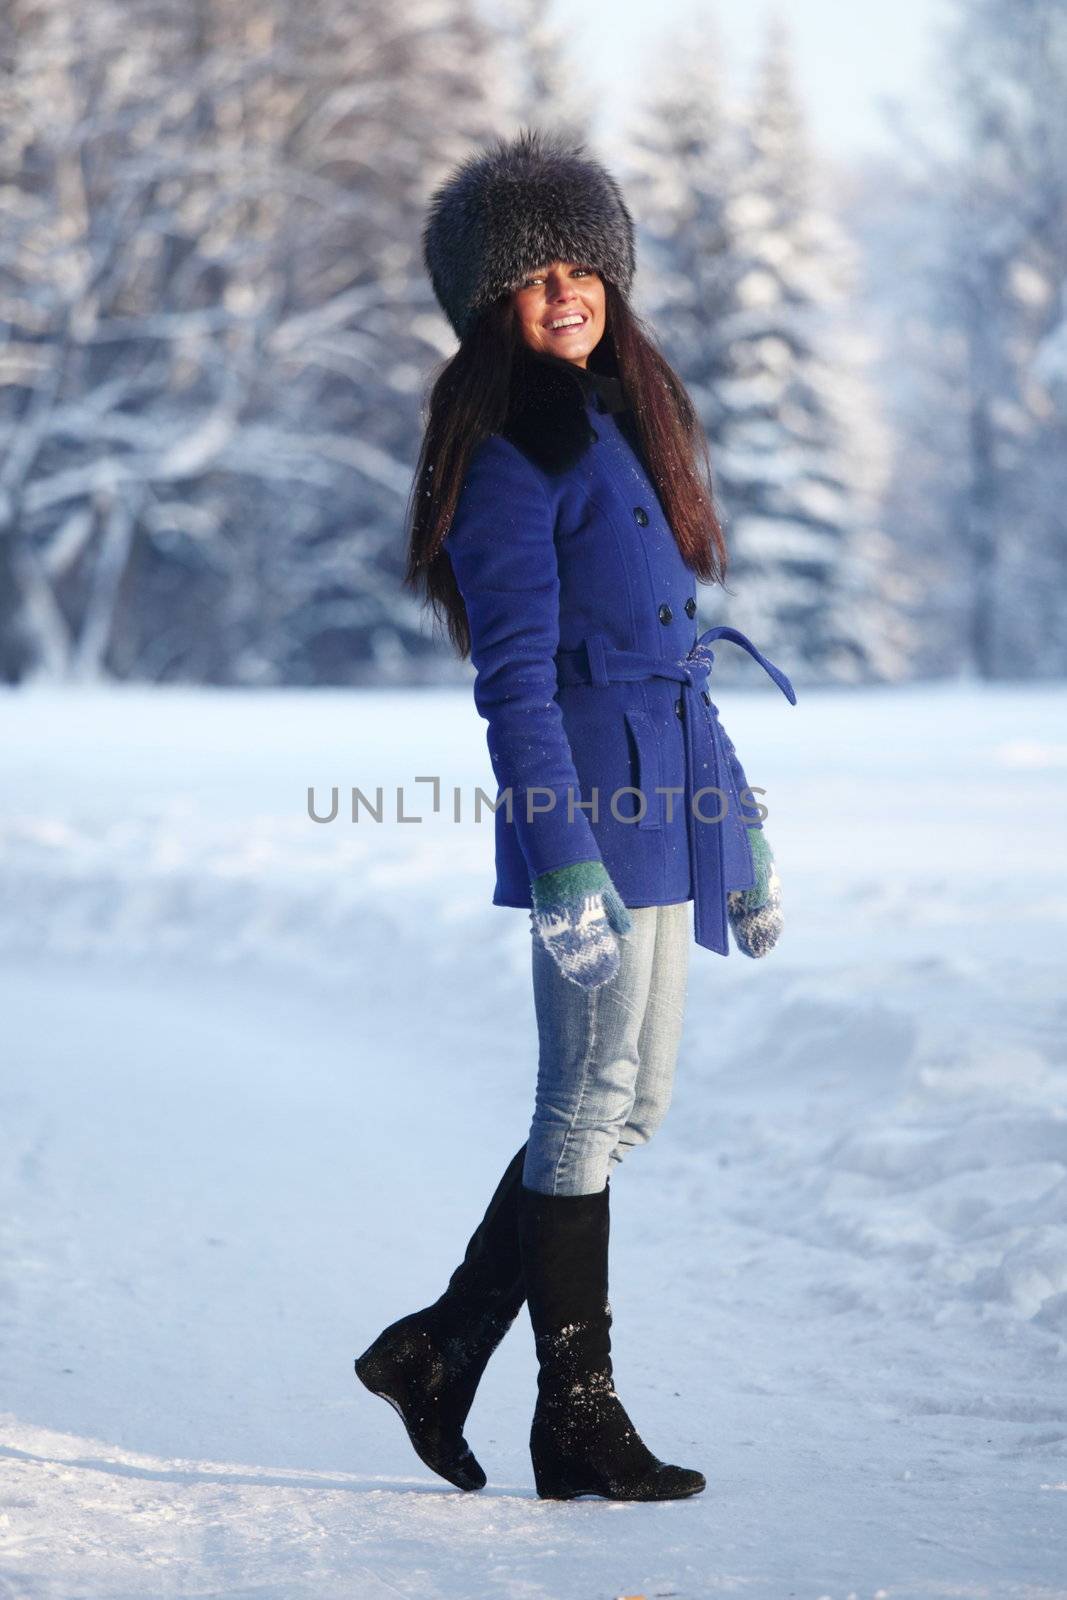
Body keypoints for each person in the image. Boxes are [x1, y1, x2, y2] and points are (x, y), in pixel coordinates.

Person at [355, 126, 797, 1503]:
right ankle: (579, 1409)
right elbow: (515, 688)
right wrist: (562, 863)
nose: (565, 293)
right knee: (581, 1098)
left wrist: (745, 831)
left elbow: (679, 657)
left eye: (582, 268)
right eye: (533, 275)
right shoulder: (506, 455)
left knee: (631, 1105)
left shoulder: (619, 429)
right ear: (491, 304)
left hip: (670, 805)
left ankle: (445, 1347)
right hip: (593, 820)